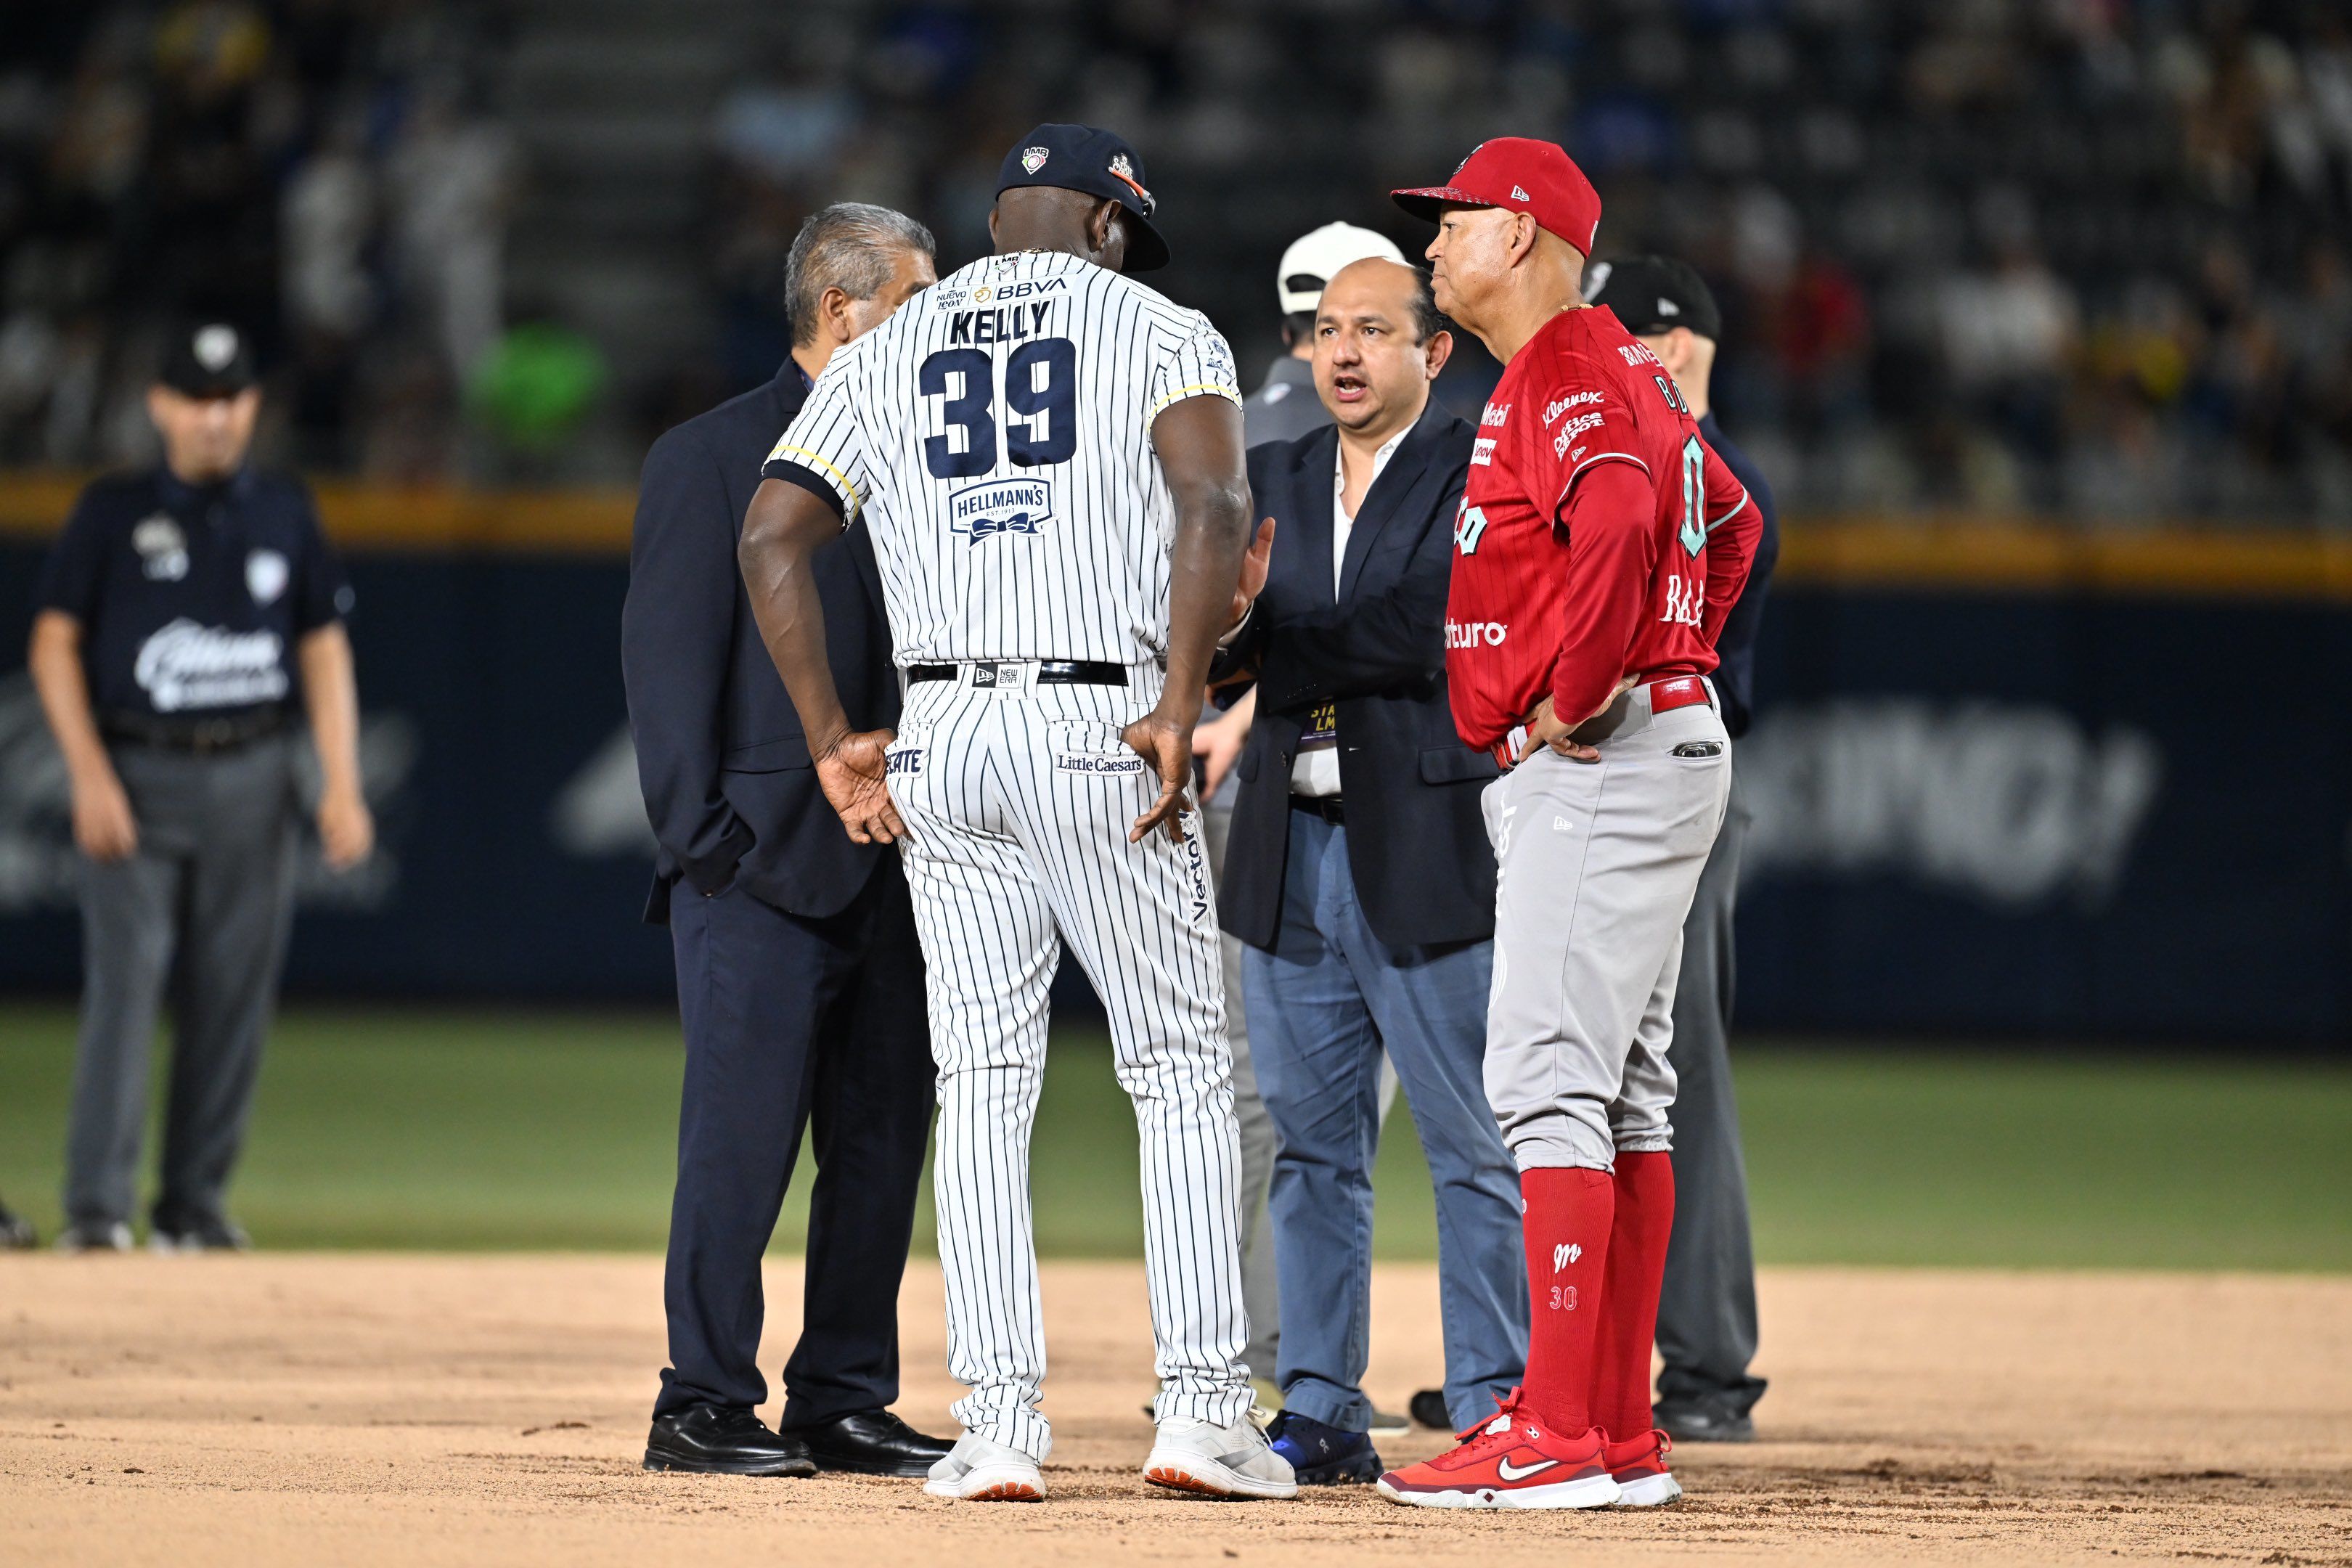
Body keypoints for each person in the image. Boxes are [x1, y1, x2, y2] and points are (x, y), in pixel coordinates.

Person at [738, 123, 1293, 1504]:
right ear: (1107, 225)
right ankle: (1205, 1413)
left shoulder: (885, 349)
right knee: (1175, 1068)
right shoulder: (1159, 324)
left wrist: (829, 740)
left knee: (981, 1080)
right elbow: (1213, 496)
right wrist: (1180, 698)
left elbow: (771, 536)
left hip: (940, 732)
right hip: (1099, 715)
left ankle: (995, 1429)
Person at [1373, 138, 1762, 1511]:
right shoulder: (1601, 369)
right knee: (1625, 1089)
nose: (1433, 247)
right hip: (1655, 740)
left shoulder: (1570, 369)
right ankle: (1612, 1430)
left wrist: (1584, 693)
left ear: (1526, 234)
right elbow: (1736, 517)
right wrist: (1683, 650)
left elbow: (1624, 515)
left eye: (1455, 223)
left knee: (1544, 1075)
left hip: (1605, 756)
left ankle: (1550, 1425)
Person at [621, 203, 952, 1481]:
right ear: (842, 309)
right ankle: (700, 1398)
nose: (941, 330)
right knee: (741, 1144)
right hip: (758, 863)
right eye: (919, 302)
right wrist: (708, 845)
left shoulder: (934, 454)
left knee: (878, 1146)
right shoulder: (709, 457)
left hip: (905, 859)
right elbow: (668, 666)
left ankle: (843, 1395)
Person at [1209, 256, 1526, 1485]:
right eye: (1329, 331)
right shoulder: (1271, 472)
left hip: (1428, 843)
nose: (1344, 352)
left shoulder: (1473, 470)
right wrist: (1248, 637)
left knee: (1472, 1142)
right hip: (1293, 848)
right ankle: (1325, 1406)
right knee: (1310, 1147)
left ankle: (1495, 1399)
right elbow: (1219, 632)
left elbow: (1433, 629)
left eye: (1376, 330)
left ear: (1433, 353)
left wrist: (1273, 649)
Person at [28, 320, 372, 1254]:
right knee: (124, 993)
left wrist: (340, 781)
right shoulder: (111, 510)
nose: (214, 419)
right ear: (161, 406)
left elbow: (323, 647)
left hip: (256, 773)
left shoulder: (285, 511)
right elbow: (53, 643)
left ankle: (192, 1205)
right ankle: (98, 1209)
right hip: (136, 772)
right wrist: (89, 772)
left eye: (230, 400)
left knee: (233, 997)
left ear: (251, 407)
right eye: (196, 399)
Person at [1199, 216, 1410, 1426]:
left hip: (1232, 784)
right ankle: (1300, 1349)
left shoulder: (1220, 416)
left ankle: (1224, 1346)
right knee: (1345, 1086)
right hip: (1344, 782)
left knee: (1242, 1081)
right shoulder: (1375, 436)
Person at [1588, 256, 1780, 1445]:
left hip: (1674, 795)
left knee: (1678, 1073)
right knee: (1560, 1074)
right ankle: (1544, 1354)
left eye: (1627, 340)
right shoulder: (1623, 458)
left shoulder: (1713, 478)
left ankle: (1708, 1369)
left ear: (1673, 345)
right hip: (1581, 792)